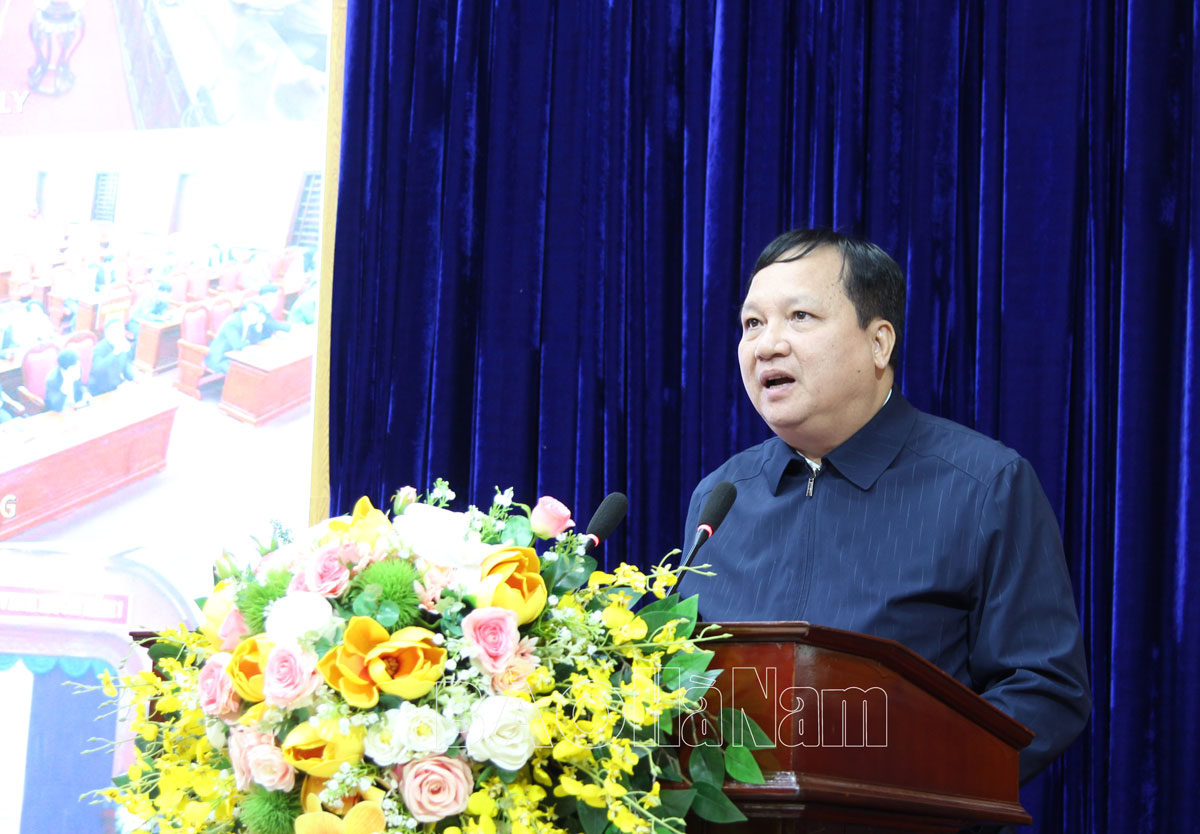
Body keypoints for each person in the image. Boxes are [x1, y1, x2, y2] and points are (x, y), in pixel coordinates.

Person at [682, 228, 1090, 785]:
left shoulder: (983, 485)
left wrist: (908, 776)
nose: (766, 345)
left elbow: (1045, 687)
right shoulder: (721, 496)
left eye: (799, 317)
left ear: (879, 343)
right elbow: (684, 684)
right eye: (752, 323)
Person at [205, 300, 289, 374]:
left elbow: (254, 341)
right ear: (244, 313)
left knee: (260, 368)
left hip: (235, 356)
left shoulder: (251, 322)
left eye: (257, 314)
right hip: (220, 359)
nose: (256, 316)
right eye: (253, 314)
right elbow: (238, 345)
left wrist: (258, 326)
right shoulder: (232, 324)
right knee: (246, 373)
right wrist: (251, 347)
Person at [88, 317, 135, 395]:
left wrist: (133, 377)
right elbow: (98, 370)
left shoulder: (122, 344)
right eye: (118, 331)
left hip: (116, 385)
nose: (121, 333)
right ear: (108, 333)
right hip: (100, 389)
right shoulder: (99, 348)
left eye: (122, 330)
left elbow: (126, 364)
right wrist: (115, 353)